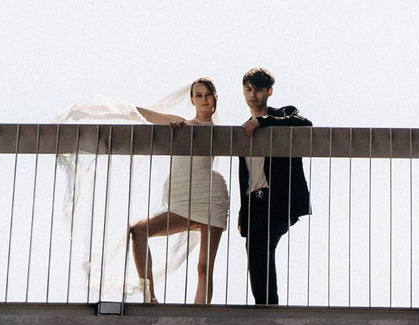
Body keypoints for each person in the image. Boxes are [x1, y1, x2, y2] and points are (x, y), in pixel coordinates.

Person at [125, 78, 228, 303]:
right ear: (191, 100)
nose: (204, 99)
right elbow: (146, 115)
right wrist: (122, 106)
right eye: (198, 95)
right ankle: (150, 299)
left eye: (208, 95)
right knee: (139, 230)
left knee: (204, 267)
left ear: (215, 98)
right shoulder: (181, 124)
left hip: (211, 196)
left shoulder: (221, 131)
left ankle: (199, 315)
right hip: (183, 197)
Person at [233, 67, 311, 305]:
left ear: (269, 91)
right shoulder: (244, 130)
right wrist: (243, 212)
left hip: (279, 198)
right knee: (255, 248)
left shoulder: (283, 114)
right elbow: (247, 177)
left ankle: (266, 307)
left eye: (258, 89)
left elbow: (305, 124)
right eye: (248, 89)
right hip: (254, 202)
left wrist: (262, 122)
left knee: (258, 242)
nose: (253, 94)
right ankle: (265, 305)